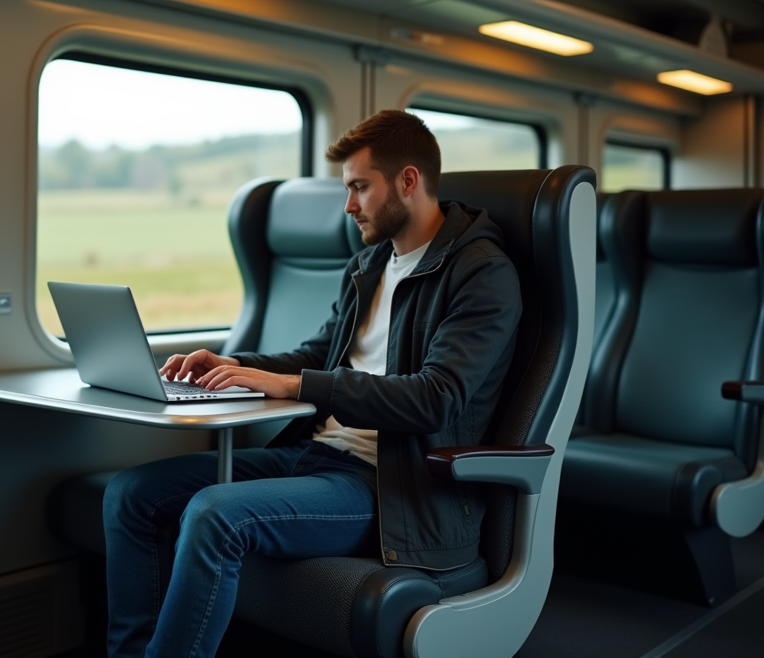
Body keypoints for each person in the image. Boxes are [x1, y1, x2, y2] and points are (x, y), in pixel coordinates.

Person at [102, 109, 523, 658]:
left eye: (359, 188)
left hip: (392, 485)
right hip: (315, 456)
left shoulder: (481, 273)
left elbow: (436, 399)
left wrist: (299, 385)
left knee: (214, 514)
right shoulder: (369, 265)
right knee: (130, 494)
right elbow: (318, 355)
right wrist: (230, 366)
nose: (348, 206)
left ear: (408, 181)